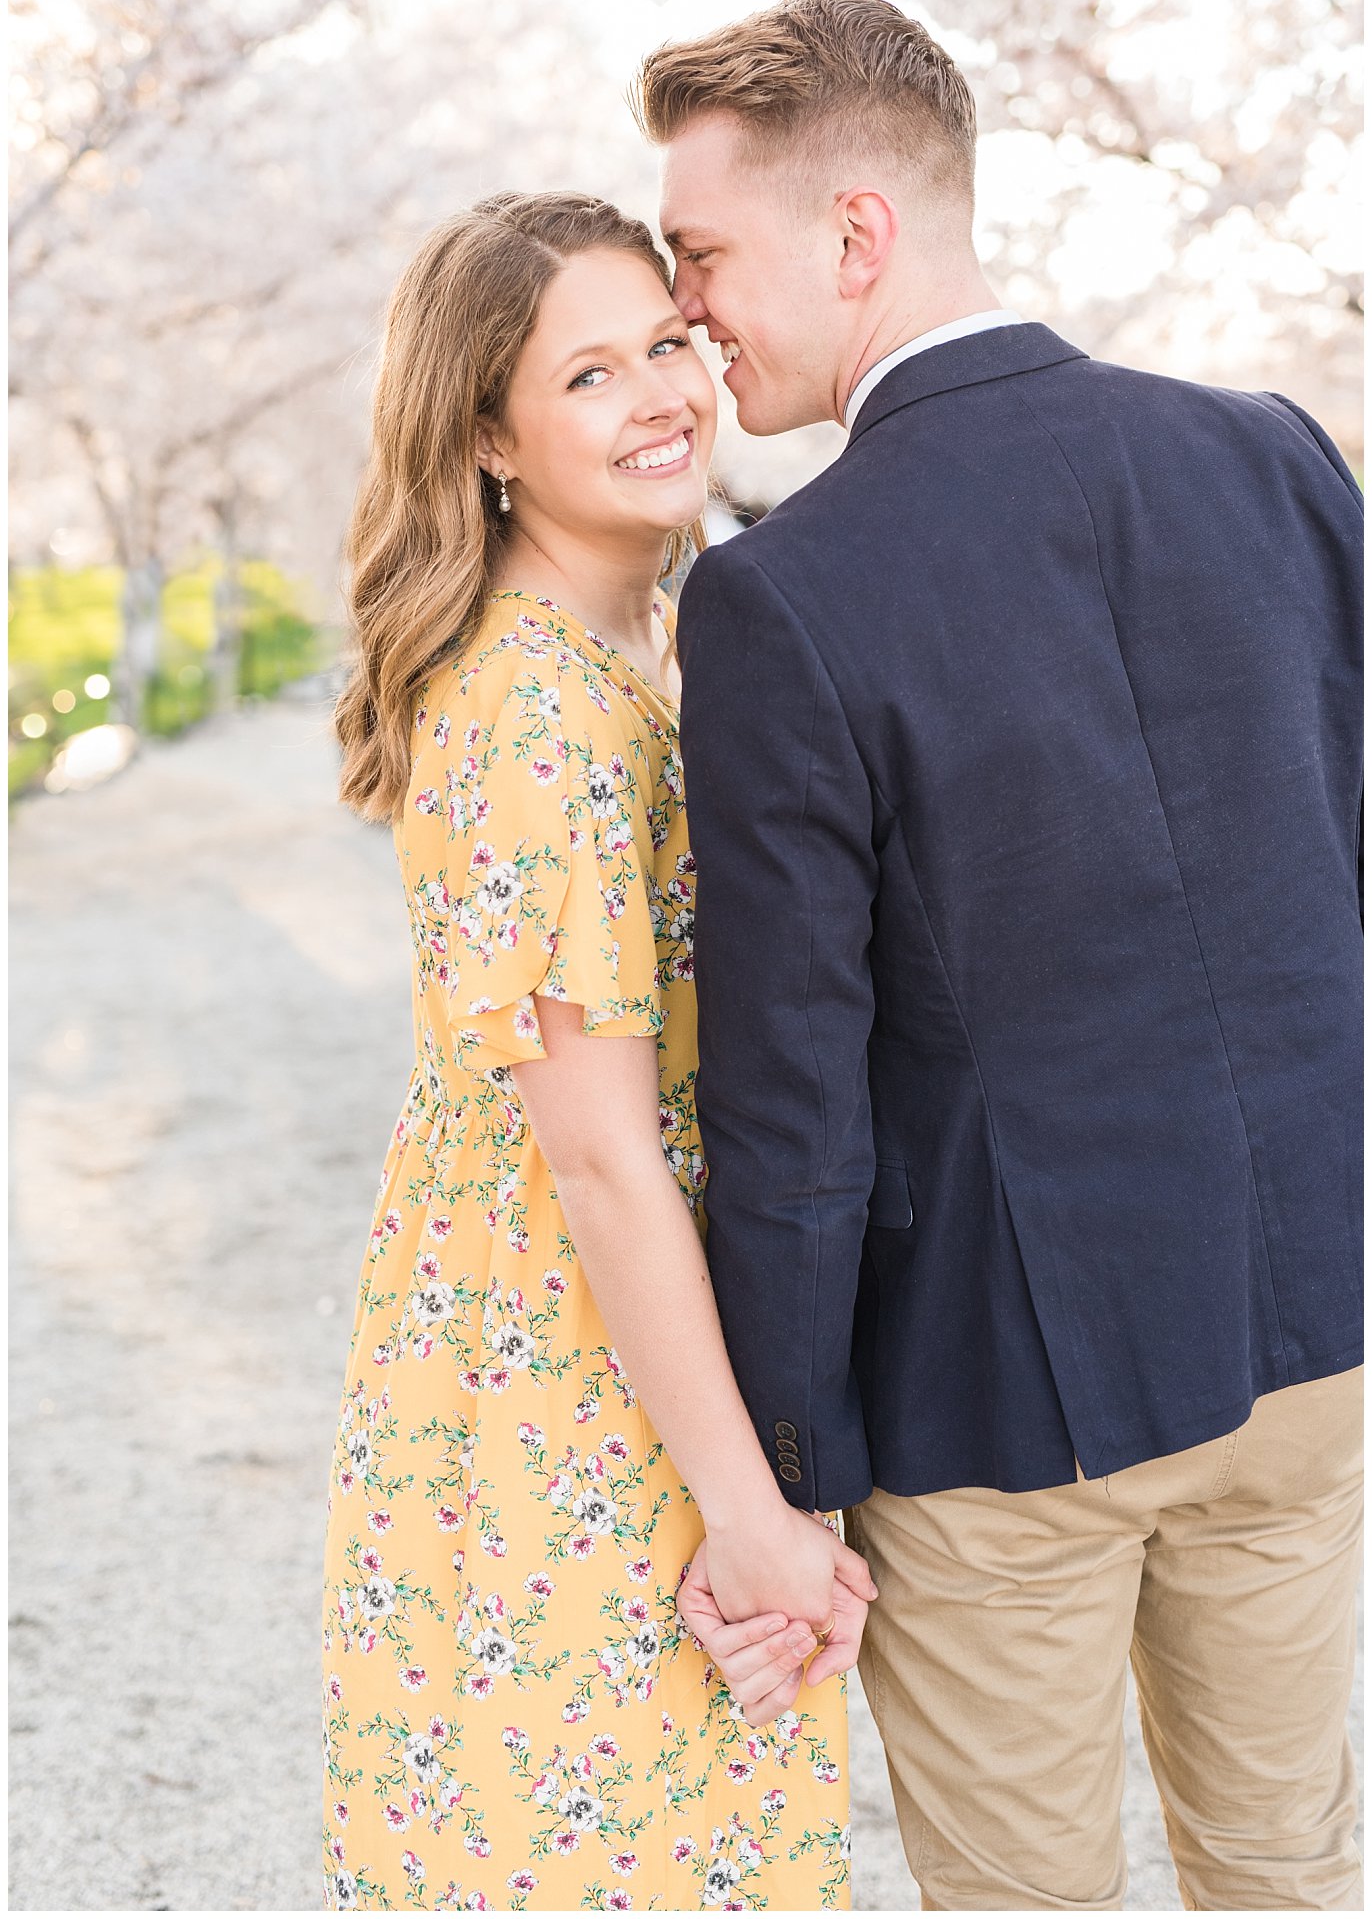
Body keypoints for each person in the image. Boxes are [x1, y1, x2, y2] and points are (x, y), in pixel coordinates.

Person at [635, 0, 1364, 1911]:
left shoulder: (782, 599)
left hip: (1000, 1394)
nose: (688, 306)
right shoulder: (1278, 460)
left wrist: (783, 1473)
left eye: (703, 252)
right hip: (1306, 1336)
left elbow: (795, 1105)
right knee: (1289, 1867)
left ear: (854, 234)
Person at [321, 191, 874, 1914]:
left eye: (668, 344)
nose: (659, 395)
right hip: (572, 1373)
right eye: (587, 374)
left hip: (628, 1341)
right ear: (486, 434)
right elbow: (601, 1156)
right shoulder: (535, 711)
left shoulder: (624, 656)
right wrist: (753, 1509)